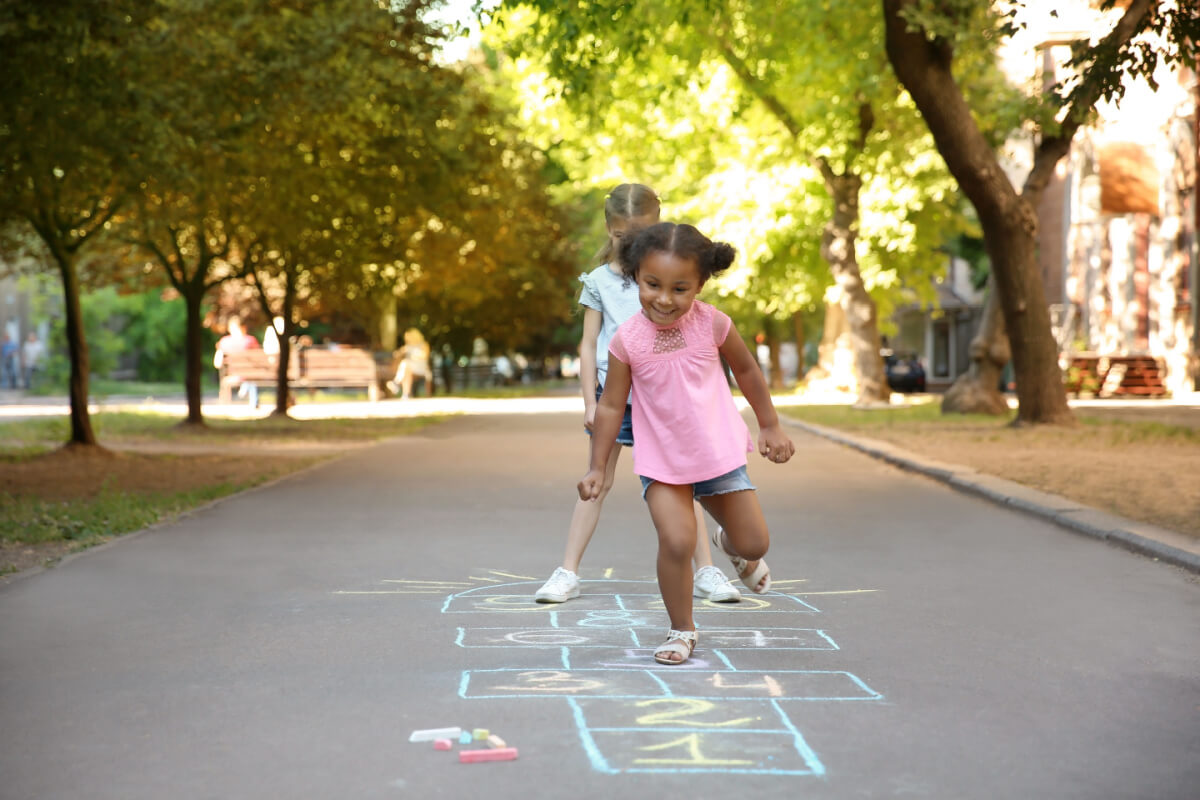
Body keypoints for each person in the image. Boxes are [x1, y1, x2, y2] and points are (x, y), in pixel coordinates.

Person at [579, 221, 796, 665]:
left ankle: (730, 546)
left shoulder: (713, 323)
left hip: (717, 455)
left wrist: (770, 425)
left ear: (700, 284)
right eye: (652, 284)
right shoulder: (627, 341)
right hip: (662, 462)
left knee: (754, 543)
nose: (664, 299)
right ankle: (682, 629)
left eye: (680, 288)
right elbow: (609, 406)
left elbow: (748, 371)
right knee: (676, 542)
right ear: (636, 277)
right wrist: (597, 467)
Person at [536, 184, 742, 605]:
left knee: (686, 483)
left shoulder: (666, 276)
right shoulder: (598, 282)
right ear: (609, 230)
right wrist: (591, 403)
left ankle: (707, 570)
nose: (630, 244)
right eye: (621, 237)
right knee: (597, 479)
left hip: (666, 398)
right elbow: (587, 343)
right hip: (617, 397)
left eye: (640, 235)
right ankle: (567, 572)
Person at [213, 317, 261, 406]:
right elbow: (259, 358)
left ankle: (240, 391)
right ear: (244, 327)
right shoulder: (250, 340)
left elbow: (217, 363)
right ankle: (253, 401)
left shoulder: (224, 341)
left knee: (247, 378)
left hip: (233, 374)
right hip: (250, 374)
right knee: (250, 378)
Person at [388, 328, 431, 399]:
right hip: (410, 367)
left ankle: (396, 383)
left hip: (421, 367)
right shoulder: (408, 346)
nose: (407, 339)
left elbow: (425, 356)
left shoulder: (424, 345)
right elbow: (397, 354)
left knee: (405, 363)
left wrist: (414, 357)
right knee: (406, 369)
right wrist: (398, 353)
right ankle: (405, 394)